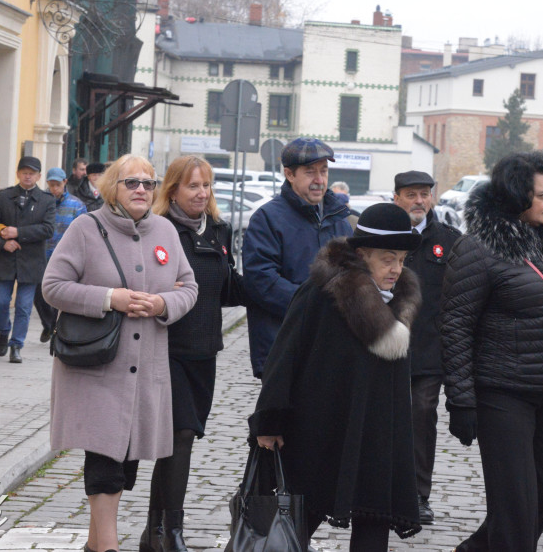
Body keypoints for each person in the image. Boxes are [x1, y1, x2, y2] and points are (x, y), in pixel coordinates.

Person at [440, 151, 543, 551]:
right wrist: (461, 400)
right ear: (516, 196)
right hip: (502, 392)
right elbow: (455, 326)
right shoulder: (477, 249)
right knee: (515, 503)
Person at [43, 154, 198, 552]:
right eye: (132, 183)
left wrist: (163, 305)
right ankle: (109, 547)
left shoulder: (165, 230)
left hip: (145, 369)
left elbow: (188, 287)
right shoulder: (85, 228)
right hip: (95, 367)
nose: (142, 190)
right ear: (112, 187)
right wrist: (111, 298)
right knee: (105, 462)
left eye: (149, 183)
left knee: (124, 465)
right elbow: (53, 286)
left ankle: (95, 547)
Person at [251, 203, 423, 551]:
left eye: (402, 259)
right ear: (362, 255)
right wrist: (269, 420)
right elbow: (285, 356)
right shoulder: (321, 293)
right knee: (299, 519)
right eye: (388, 258)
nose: (397, 269)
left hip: (378, 433)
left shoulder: (399, 302)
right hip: (323, 428)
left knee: (374, 514)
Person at [139, 155, 246, 552]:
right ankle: (172, 531)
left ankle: (153, 533)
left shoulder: (218, 229)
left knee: (176, 443)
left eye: (206, 186)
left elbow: (227, 288)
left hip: (205, 351)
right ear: (173, 190)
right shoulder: (158, 230)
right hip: (166, 348)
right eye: (193, 186)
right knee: (179, 435)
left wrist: (277, 291)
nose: (202, 194)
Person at [242, 137, 353, 378]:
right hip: (283, 346)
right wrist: (313, 306)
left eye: (323, 171)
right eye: (310, 172)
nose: (319, 180)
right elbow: (261, 280)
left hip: (331, 348)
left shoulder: (340, 221)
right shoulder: (267, 219)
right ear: (290, 175)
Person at [393, 170, 461, 525]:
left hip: (429, 352)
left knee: (422, 415)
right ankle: (383, 488)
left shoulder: (449, 241)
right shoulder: (382, 235)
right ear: (396, 198)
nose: (419, 201)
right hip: (385, 348)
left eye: (424, 194)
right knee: (386, 419)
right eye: (411, 195)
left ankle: (419, 495)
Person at [0, 156, 56, 363]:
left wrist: (18, 232)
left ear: (39, 176)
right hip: (5, 258)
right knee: (1, 300)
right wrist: (2, 242)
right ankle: (4, 330)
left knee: (23, 306)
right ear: (18, 173)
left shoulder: (47, 201)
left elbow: (48, 229)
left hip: (31, 262)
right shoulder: (5, 196)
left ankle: (16, 345)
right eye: (24, 172)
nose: (28, 175)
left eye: (32, 172)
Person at [34, 168, 86, 343]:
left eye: (57, 184)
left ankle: (55, 328)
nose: (54, 188)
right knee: (38, 295)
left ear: (65, 182)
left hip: (65, 257)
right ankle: (47, 324)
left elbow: (84, 231)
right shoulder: (41, 201)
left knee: (58, 295)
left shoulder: (76, 205)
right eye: (51, 185)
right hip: (40, 255)